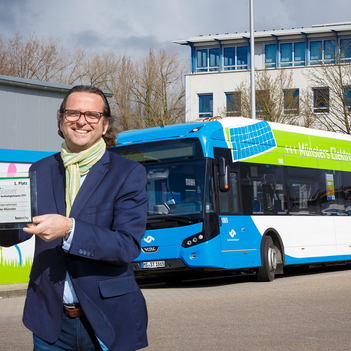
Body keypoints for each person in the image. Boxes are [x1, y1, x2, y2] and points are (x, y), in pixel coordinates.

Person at [0, 85, 149, 351]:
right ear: (61, 120)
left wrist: (69, 228)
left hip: (108, 319)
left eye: (92, 114)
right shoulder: (41, 170)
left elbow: (127, 245)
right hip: (50, 322)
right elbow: (19, 228)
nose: (81, 121)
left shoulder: (128, 173)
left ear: (105, 125)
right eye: (73, 113)